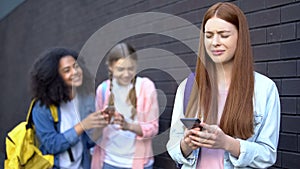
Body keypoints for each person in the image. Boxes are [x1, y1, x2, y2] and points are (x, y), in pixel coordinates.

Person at [167, 2, 280, 169]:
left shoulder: (264, 89)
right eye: (209, 35)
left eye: (224, 35)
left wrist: (227, 143)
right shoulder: (188, 86)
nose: (215, 42)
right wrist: (187, 144)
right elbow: (173, 146)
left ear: (240, 37)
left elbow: (268, 155)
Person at [30, 47, 108, 169]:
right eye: (67, 70)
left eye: (76, 66)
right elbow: (52, 145)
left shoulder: (85, 99)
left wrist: (100, 125)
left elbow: (87, 143)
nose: (75, 72)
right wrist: (82, 125)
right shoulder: (42, 108)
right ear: (55, 77)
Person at [91, 43, 159, 169]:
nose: (126, 74)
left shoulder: (145, 86)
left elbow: (153, 128)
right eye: (121, 69)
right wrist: (102, 121)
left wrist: (128, 126)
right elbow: (96, 132)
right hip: (109, 162)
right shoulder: (103, 89)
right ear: (111, 67)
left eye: (131, 68)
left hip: (139, 163)